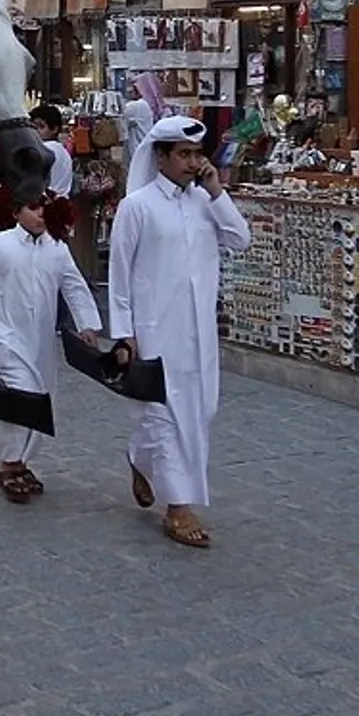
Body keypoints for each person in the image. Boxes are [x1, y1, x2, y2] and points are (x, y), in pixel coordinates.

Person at [106, 116, 251, 549]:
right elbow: (118, 273)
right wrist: (124, 332)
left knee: (198, 413)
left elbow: (240, 239)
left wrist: (217, 190)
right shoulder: (138, 206)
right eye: (183, 155)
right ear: (161, 157)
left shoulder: (206, 202)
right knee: (165, 415)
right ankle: (179, 507)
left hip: (199, 333)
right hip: (154, 332)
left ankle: (140, 459)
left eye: (196, 154)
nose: (192, 163)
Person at [0, 198, 102, 501]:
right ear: (15, 212)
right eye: (32, 207)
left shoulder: (57, 247)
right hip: (4, 337)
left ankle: (22, 461)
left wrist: (87, 324)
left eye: (44, 208)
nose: (40, 214)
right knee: (19, 396)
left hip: (40, 340)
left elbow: (74, 286)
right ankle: (8, 462)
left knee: (42, 398)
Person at [29, 103, 75, 196]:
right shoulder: (63, 152)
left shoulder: (44, 149)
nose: (35, 131)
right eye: (32, 127)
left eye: (41, 126)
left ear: (54, 129)